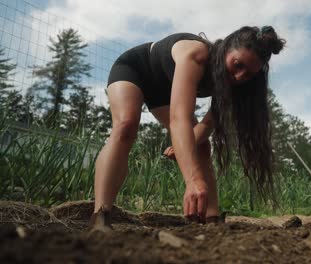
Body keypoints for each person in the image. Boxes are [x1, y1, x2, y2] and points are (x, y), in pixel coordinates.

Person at [89, 26, 286, 231]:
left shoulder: (233, 84)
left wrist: (184, 146)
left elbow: (207, 125)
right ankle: (100, 216)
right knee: (125, 126)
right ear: (226, 49)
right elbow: (179, 118)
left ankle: (212, 219)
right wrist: (192, 179)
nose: (239, 76)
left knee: (201, 148)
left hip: (164, 91)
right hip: (137, 69)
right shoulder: (197, 55)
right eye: (237, 65)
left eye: (248, 74)